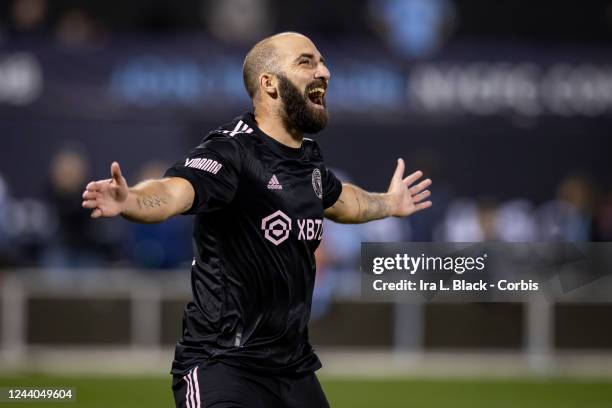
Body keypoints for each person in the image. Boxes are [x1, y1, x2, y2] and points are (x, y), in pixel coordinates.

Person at [82, 32, 432, 408]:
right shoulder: (232, 150)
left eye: (323, 61)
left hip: (292, 370)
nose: (325, 72)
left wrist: (389, 203)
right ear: (269, 83)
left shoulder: (308, 158)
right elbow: (174, 191)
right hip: (223, 366)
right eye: (306, 62)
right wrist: (131, 198)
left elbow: (343, 201)